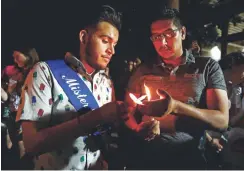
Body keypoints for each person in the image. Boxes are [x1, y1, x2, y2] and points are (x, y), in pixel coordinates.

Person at [16, 5, 158, 170]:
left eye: (115, 44)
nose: (111, 50)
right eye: (105, 41)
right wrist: (94, 118)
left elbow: (108, 129)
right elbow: (32, 144)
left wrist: (136, 127)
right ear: (84, 37)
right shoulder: (45, 72)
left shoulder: (106, 82)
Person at [122, 7, 229, 169]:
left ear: (183, 33)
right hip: (148, 157)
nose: (162, 42)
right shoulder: (143, 70)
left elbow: (222, 120)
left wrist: (176, 107)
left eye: (169, 34)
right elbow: (126, 110)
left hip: (189, 156)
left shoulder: (206, 67)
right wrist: (137, 128)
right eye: (157, 37)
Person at [1, 47, 39, 169]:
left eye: (17, 57)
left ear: (28, 55)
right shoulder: (12, 71)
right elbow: (7, 96)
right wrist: (7, 90)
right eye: (14, 57)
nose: (15, 60)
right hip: (14, 113)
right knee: (15, 144)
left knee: (24, 145)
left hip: (28, 114)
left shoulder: (37, 70)